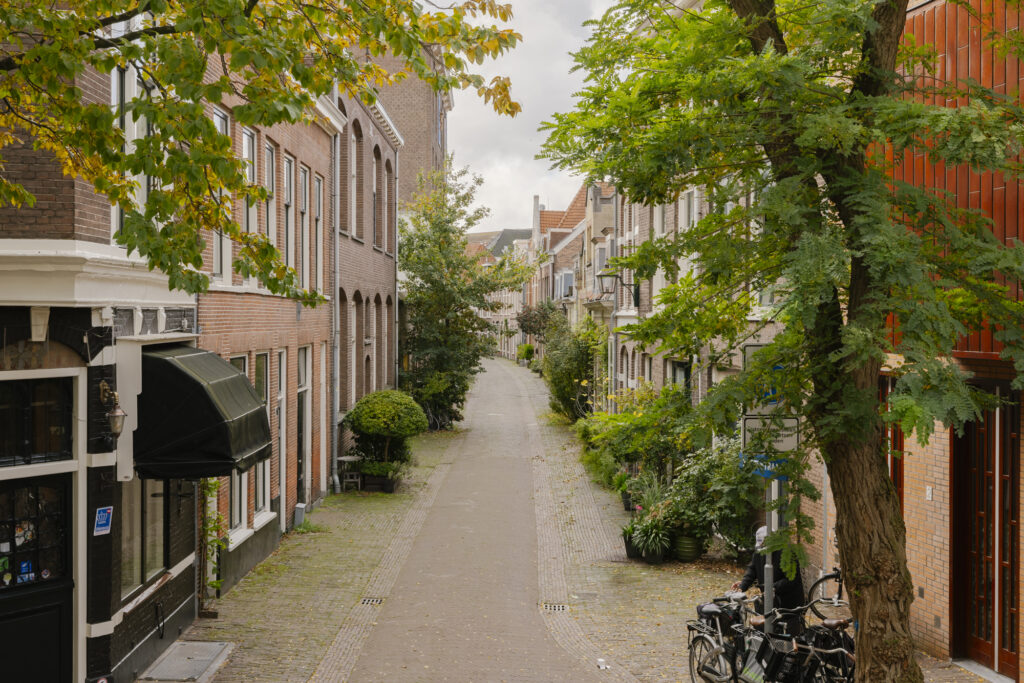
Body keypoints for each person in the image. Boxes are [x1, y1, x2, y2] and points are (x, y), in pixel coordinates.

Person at [731, 526, 805, 617]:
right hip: (768, 600)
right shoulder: (759, 552)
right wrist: (742, 586)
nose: (762, 547)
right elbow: (752, 570)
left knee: (788, 628)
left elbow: (791, 579)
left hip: (788, 603)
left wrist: (772, 587)